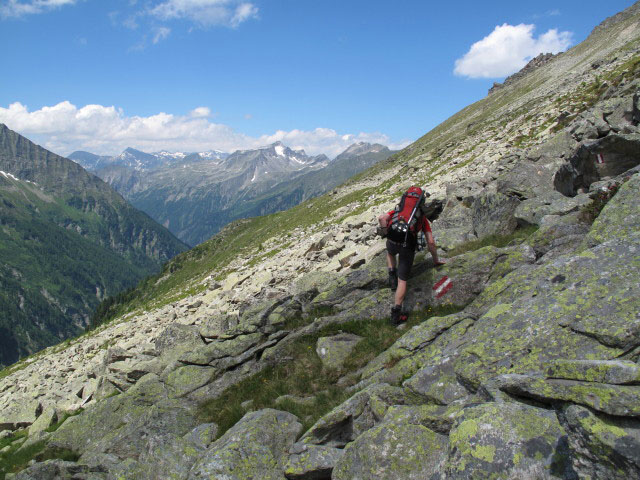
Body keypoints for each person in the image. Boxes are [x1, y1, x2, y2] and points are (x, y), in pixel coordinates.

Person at [379, 188, 445, 325]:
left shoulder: (397, 211)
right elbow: (431, 242)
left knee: (390, 252)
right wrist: (436, 260)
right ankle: (396, 314)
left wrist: (386, 232)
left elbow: (382, 218)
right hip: (407, 246)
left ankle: (392, 274)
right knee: (402, 280)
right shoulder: (422, 219)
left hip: (392, 240)